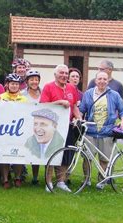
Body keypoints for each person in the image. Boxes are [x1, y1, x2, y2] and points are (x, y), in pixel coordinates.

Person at [79, 71, 123, 190]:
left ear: (108, 81)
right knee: (87, 158)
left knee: (104, 159)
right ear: (95, 81)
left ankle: (101, 181)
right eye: (100, 79)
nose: (102, 81)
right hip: (90, 131)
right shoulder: (88, 93)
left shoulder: (114, 94)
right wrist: (79, 120)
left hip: (107, 132)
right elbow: (82, 109)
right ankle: (87, 179)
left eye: (104, 79)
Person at [42, 64, 81, 193]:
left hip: (68, 126)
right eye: (61, 73)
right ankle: (48, 182)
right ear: (55, 75)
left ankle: (61, 181)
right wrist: (58, 102)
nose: (64, 76)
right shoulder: (48, 87)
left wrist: (79, 118)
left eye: (65, 73)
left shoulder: (71, 88)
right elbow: (43, 105)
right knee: (52, 153)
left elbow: (74, 106)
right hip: (52, 126)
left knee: (66, 153)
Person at [0, 74, 27, 188]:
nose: (14, 86)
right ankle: (5, 179)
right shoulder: (1, 97)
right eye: (12, 83)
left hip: (18, 130)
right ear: (7, 84)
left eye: (16, 84)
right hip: (4, 130)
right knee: (3, 154)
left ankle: (18, 177)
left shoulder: (24, 99)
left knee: (18, 154)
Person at [20, 69, 42, 184]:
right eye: (32, 80)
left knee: (36, 151)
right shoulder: (22, 94)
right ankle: (21, 174)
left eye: (36, 80)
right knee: (23, 149)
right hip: (25, 125)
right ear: (27, 81)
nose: (34, 82)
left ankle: (35, 177)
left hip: (39, 126)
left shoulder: (43, 92)